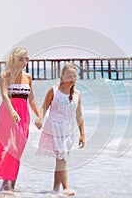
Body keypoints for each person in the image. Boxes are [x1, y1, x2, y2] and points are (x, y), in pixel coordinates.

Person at [0, 47, 41, 191]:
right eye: (22, 59)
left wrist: (38, 116)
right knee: (8, 148)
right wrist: (12, 111)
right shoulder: (5, 76)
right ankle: (6, 183)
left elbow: (31, 99)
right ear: (14, 60)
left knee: (18, 148)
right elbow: (4, 95)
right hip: (7, 114)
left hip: (23, 115)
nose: (25, 62)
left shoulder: (28, 77)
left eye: (27, 59)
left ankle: (10, 183)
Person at [35, 63, 85, 196]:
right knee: (62, 159)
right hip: (54, 129)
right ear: (62, 76)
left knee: (61, 158)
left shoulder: (77, 94)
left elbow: (79, 115)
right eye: (69, 75)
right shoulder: (54, 91)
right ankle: (66, 188)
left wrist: (82, 134)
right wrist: (39, 119)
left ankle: (55, 189)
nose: (72, 78)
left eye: (74, 76)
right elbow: (44, 107)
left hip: (68, 132)